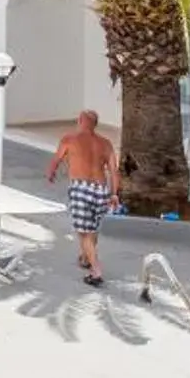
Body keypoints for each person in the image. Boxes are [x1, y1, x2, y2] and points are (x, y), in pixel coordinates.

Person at [48, 109, 120, 288]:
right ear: (95, 124)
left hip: (81, 187)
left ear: (80, 121)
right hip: (101, 189)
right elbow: (114, 171)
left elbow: (56, 159)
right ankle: (85, 258)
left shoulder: (69, 139)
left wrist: (51, 173)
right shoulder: (105, 143)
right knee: (92, 228)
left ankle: (96, 271)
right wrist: (114, 194)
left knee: (84, 233)